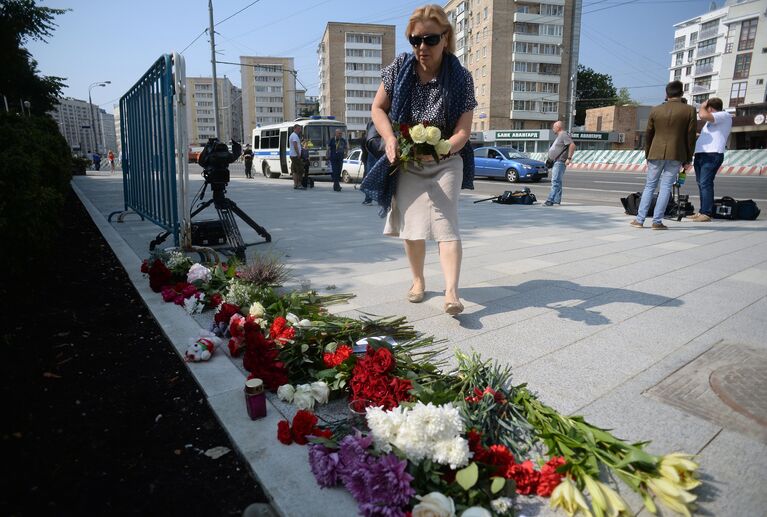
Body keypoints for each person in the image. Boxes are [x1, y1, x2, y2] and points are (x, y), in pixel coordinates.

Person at [360, 4, 476, 316]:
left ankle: (451, 292)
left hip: (446, 158)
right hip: (409, 159)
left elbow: (464, 130)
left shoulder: (462, 77)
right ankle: (417, 280)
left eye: (430, 40)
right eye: (415, 40)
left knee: (445, 222)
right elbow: (377, 109)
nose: (421, 47)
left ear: (446, 37)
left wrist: (442, 148)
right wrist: (389, 139)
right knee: (412, 226)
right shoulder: (400, 68)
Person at [631, 80, 696, 230]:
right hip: (676, 153)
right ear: (681, 93)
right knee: (666, 187)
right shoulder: (689, 110)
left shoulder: (655, 110)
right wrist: (688, 158)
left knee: (649, 186)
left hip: (655, 152)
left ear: (666, 94)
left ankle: (640, 220)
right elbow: (690, 137)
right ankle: (657, 221)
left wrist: (648, 154)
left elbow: (648, 134)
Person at [688, 98, 732, 222]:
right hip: (702, 154)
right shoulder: (711, 121)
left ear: (710, 108)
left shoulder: (724, 115)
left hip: (712, 155)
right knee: (701, 183)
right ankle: (702, 211)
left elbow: (702, 115)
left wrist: (702, 106)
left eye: (706, 107)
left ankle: (706, 213)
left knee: (705, 183)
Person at [544, 121, 576, 206]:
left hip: (559, 161)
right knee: (558, 181)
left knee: (555, 181)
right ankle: (556, 200)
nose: (553, 129)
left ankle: (550, 200)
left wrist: (569, 158)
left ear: (558, 127)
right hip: (556, 161)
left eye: (554, 127)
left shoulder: (563, 134)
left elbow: (572, 145)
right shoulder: (560, 136)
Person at [289, 124, 305, 189]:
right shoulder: (295, 136)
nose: (300, 130)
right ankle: (299, 184)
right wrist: (298, 154)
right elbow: (295, 145)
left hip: (293, 155)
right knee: (300, 170)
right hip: (295, 155)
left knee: (294, 171)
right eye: (298, 129)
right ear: (294, 129)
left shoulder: (293, 135)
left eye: (300, 129)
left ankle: (295, 184)